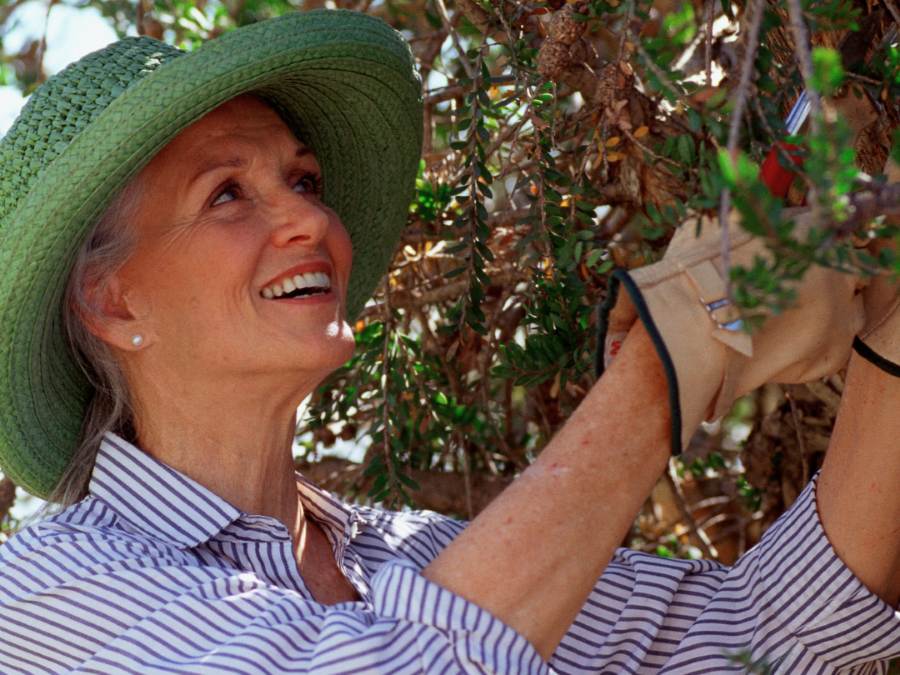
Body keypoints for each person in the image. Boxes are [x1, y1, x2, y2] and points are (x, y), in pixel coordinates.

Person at [0, 9, 897, 674]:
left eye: (304, 179)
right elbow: (403, 661)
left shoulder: (414, 558)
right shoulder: (45, 591)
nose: (309, 217)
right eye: (227, 194)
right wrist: (672, 357)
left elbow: (779, 630)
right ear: (111, 300)